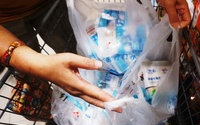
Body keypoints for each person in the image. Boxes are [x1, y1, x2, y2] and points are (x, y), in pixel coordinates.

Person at [0, 0, 191, 110]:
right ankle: (50, 110)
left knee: (73, 53)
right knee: (33, 77)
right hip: (5, 20)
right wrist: (31, 62)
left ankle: (73, 103)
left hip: (51, 3)